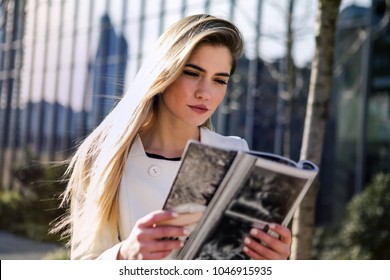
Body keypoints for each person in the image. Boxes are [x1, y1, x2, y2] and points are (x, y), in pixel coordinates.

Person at [53, 14, 292, 260]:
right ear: (164, 73)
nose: (205, 93)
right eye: (192, 73)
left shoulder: (236, 154)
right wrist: (124, 255)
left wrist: (273, 259)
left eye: (219, 80)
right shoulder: (105, 158)